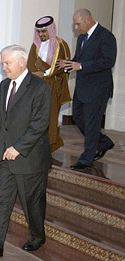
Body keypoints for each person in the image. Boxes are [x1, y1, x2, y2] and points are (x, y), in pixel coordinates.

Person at [0, 45, 52, 257]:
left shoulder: (39, 87)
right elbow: (4, 121)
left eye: (7, 63)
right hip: (6, 156)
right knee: (1, 200)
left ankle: (37, 236)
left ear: (21, 62)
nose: (3, 67)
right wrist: (3, 146)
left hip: (30, 157)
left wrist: (18, 147)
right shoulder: (4, 85)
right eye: (2, 63)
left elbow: (40, 123)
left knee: (32, 205)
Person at [56, 9, 117, 170]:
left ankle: (86, 159)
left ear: (88, 20)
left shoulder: (106, 36)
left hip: (98, 89)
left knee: (91, 124)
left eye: (78, 23)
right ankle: (103, 142)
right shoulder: (82, 37)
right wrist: (68, 65)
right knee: (77, 117)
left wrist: (81, 66)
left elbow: (108, 61)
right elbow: (79, 59)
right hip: (83, 87)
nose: (76, 27)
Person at [27, 16, 71, 152]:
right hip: (37, 85)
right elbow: (30, 63)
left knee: (50, 115)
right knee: (35, 114)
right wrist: (35, 75)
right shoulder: (35, 45)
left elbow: (61, 66)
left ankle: (50, 145)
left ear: (51, 30)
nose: (41, 35)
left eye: (44, 31)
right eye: (39, 32)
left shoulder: (60, 44)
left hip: (53, 85)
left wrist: (45, 74)